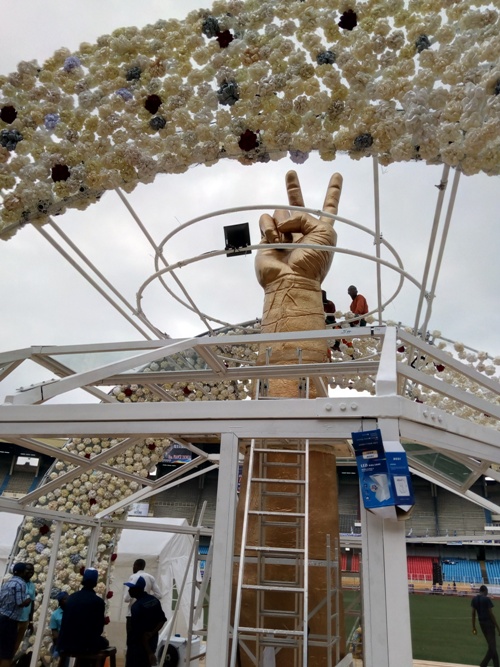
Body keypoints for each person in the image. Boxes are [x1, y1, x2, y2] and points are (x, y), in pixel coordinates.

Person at [57, 569, 109, 657]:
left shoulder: (71, 598)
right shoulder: (98, 602)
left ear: (82, 581)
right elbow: (99, 628)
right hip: (86, 644)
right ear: (95, 583)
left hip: (66, 642)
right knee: (104, 642)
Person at [123, 576, 166, 667]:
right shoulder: (154, 600)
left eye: (131, 588)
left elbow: (139, 633)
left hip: (137, 648)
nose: (129, 590)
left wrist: (149, 653)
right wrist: (152, 633)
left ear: (137, 589)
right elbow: (162, 620)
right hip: (152, 643)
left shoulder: (136, 607)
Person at [0, 563, 32, 667]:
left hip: (2, 617)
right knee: (7, 652)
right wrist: (28, 600)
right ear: (23, 572)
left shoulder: (7, 583)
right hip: (10, 621)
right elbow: (20, 602)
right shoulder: (20, 584)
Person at [124, 559, 161, 632]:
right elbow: (159, 595)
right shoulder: (150, 577)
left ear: (137, 566)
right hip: (146, 615)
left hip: (132, 615)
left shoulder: (133, 577)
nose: (133, 568)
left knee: (132, 641)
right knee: (142, 640)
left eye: (134, 565)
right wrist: (147, 600)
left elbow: (126, 599)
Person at [471, 584, 500, 667]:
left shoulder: (474, 599)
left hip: (482, 624)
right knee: (492, 648)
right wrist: (498, 627)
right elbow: (491, 614)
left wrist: (474, 627)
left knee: (492, 647)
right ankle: (483, 665)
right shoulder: (486, 599)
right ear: (485, 591)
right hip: (489, 625)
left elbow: (473, 614)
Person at [13, 563, 35, 655]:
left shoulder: (32, 585)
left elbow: (32, 603)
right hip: (14, 619)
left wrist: (30, 621)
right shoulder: (16, 583)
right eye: (28, 569)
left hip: (25, 620)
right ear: (22, 571)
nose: (30, 572)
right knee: (7, 643)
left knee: (16, 645)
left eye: (32, 570)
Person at [49, 591, 68, 660]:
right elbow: (54, 632)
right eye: (65, 599)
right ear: (60, 601)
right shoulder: (55, 614)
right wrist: (59, 645)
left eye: (68, 598)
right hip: (61, 643)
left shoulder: (72, 611)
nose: (67, 600)